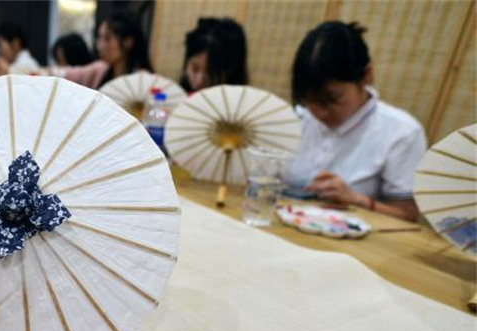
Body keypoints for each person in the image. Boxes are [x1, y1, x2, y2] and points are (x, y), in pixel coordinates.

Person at [283, 21, 425, 221]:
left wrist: (355, 199)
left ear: (366, 75)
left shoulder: (401, 132)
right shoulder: (296, 119)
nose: (319, 112)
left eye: (331, 100)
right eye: (309, 100)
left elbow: (407, 214)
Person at [46, 13, 153, 89]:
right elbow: (68, 73)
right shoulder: (100, 70)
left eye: (107, 39)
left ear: (128, 42)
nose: (100, 46)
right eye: (99, 38)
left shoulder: (142, 80)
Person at [179, 18, 248, 93]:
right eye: (195, 69)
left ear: (231, 71)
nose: (199, 81)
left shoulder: (238, 103)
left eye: (210, 73)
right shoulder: (177, 96)